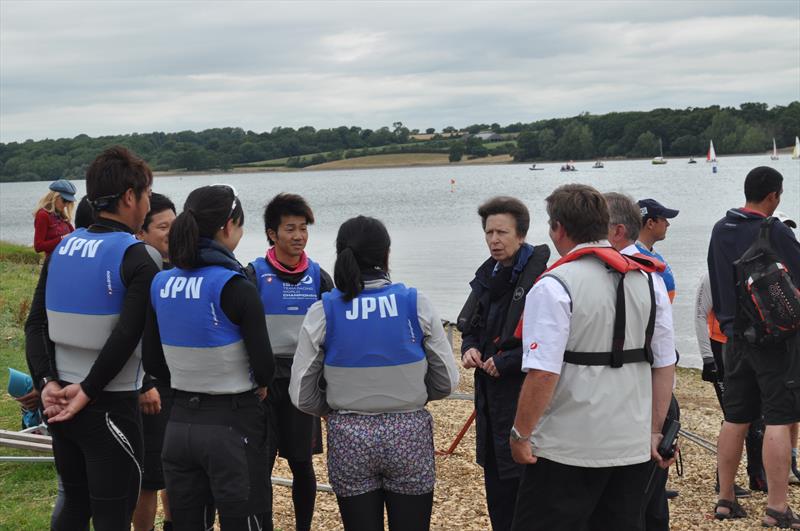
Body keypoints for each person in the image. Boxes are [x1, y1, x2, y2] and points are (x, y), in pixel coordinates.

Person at [509, 184, 676, 531]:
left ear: (558, 228)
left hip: (565, 449)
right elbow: (664, 363)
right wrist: (655, 431)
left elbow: (542, 373)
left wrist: (520, 434)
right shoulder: (648, 279)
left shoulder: (554, 285)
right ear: (604, 224)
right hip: (629, 445)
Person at [290, 215, 460, 531]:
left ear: (342, 253)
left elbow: (301, 391)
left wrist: (332, 409)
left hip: (349, 434)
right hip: (408, 431)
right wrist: (418, 396)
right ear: (386, 255)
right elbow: (446, 380)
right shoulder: (414, 303)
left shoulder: (323, 310)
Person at [26, 146, 158, 530]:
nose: (149, 202)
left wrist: (47, 382)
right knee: (113, 516)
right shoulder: (138, 255)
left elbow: (35, 326)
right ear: (130, 197)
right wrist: (88, 390)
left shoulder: (62, 249)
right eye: (147, 193)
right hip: (110, 405)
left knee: (73, 504)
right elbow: (128, 334)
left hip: (60, 404)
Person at [146, 184, 274, 530]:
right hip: (232, 427)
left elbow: (154, 363)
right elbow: (265, 366)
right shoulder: (235, 286)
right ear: (228, 227)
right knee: (246, 522)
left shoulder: (161, 283)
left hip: (179, 424)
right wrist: (259, 384)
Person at [708, 166, 800, 527]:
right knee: (778, 418)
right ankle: (777, 507)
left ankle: (725, 500)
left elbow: (717, 281)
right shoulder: (773, 230)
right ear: (774, 196)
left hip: (733, 340)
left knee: (735, 418)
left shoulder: (720, 229)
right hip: (774, 341)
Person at [458, 196, 549, 531]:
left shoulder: (541, 278)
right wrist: (469, 349)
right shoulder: (488, 274)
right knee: (497, 494)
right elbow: (472, 327)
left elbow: (552, 342)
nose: (494, 240)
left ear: (521, 235)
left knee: (527, 495)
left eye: (502, 233)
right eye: (489, 232)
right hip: (488, 401)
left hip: (522, 397)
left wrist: (508, 361)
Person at [245, 193, 332, 531]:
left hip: (301, 382)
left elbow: (332, 331)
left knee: (300, 463)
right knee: (261, 464)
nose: (298, 236)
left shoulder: (319, 277)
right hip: (264, 382)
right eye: (290, 229)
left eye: (303, 229)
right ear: (272, 233)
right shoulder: (253, 274)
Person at [606, 192, 681, 529]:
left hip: (646, 395)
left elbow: (662, 349)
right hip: (648, 395)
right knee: (643, 503)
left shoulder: (648, 270)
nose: (666, 224)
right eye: (663, 218)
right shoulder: (649, 267)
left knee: (637, 505)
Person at [696, 271, 764, 495]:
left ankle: (757, 475)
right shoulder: (711, 276)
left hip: (747, 349)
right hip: (721, 350)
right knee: (734, 417)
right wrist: (707, 359)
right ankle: (722, 481)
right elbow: (699, 316)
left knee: (757, 418)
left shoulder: (752, 271)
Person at [133, 193, 177, 531]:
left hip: (181, 384)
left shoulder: (183, 269)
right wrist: (145, 383)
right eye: (163, 227)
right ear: (141, 233)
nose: (171, 233)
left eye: (176, 225)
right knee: (149, 476)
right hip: (149, 385)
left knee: (177, 471)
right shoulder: (140, 272)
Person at [636, 198, 679, 302]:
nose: (668, 224)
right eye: (664, 219)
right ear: (650, 223)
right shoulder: (633, 258)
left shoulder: (653, 255)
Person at [33, 178, 77, 257]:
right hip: (52, 263)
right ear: (54, 197)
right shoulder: (43, 215)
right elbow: (38, 246)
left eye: (69, 201)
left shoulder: (62, 216)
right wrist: (62, 239)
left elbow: (73, 235)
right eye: (64, 200)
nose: (66, 204)